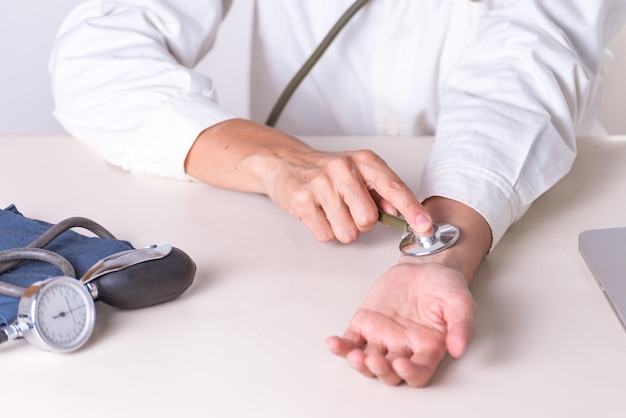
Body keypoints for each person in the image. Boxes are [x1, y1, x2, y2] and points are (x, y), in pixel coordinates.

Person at [49, 0, 626, 387]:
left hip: (544, 221)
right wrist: (275, 160)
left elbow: (531, 60)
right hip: (288, 247)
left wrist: (444, 248)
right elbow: (96, 53)